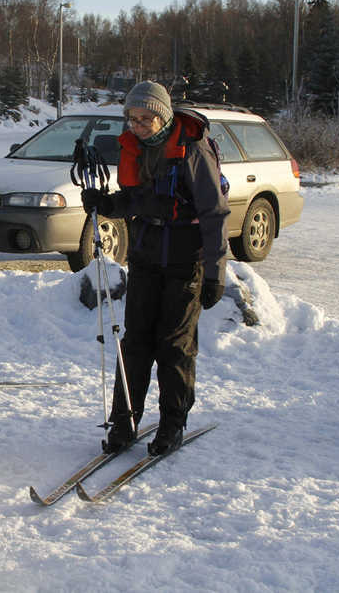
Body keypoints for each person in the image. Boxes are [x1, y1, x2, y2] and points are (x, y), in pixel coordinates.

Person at [81, 80, 229, 456]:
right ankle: (124, 422)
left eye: (146, 118)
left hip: (185, 261)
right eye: (132, 118)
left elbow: (214, 214)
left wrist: (215, 273)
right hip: (146, 257)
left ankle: (172, 424)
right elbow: (136, 199)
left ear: (162, 116)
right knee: (135, 343)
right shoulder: (136, 149)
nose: (138, 125)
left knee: (174, 347)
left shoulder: (193, 150)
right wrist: (106, 204)